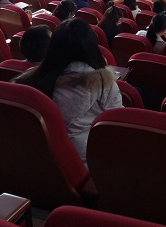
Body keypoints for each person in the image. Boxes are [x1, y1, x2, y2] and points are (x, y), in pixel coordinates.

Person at [14, 19, 123, 165]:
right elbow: (117, 126)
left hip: (38, 158)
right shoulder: (105, 85)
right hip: (85, 160)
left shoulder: (30, 79)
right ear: (91, 47)